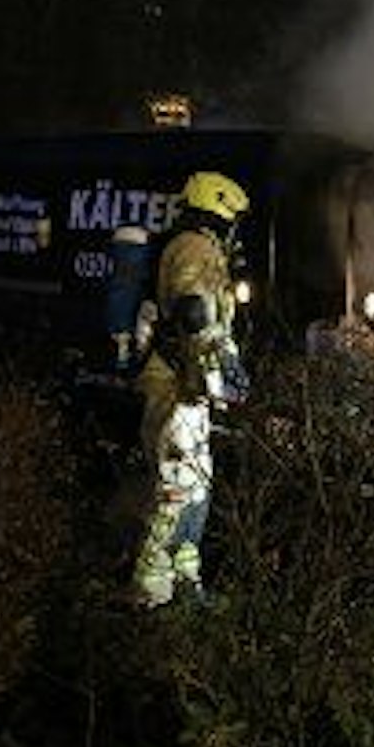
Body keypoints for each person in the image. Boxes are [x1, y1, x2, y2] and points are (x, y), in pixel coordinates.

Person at [133, 170, 251, 607]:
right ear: (219, 211)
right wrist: (219, 362)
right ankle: (150, 588)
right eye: (233, 219)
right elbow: (192, 310)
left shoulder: (205, 248)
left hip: (191, 388)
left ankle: (184, 579)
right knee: (176, 485)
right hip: (175, 383)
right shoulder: (193, 247)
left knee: (197, 487)